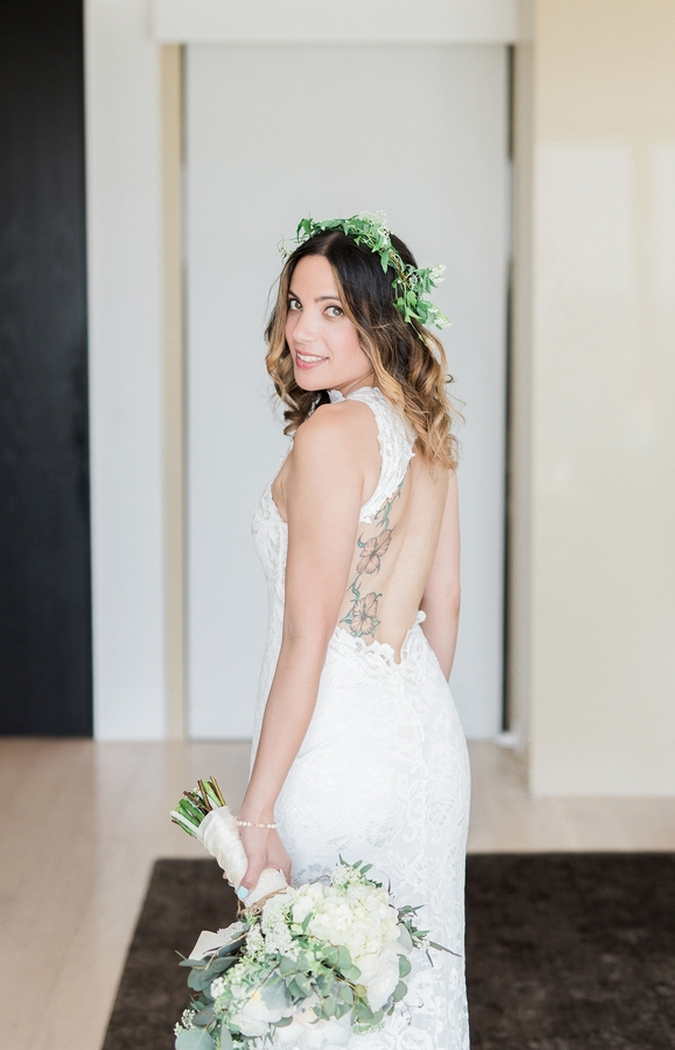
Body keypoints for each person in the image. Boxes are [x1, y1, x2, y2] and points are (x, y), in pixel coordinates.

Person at [236, 214, 470, 1050]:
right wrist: (404, 725)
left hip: (332, 750)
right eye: (296, 304)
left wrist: (256, 812)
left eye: (333, 309)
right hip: (423, 744)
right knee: (409, 989)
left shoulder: (332, 434)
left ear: (381, 319)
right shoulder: (428, 430)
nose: (302, 329)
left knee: (320, 1009)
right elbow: (444, 606)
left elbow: (308, 638)